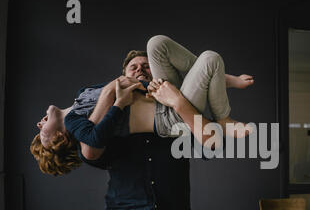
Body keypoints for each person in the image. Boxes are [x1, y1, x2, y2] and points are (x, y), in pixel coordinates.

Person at [31, 35, 254, 210]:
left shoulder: (176, 102)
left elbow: (214, 143)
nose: (140, 69)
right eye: (133, 67)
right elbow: (90, 148)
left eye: (146, 66)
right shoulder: (102, 126)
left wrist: (178, 102)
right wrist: (111, 97)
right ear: (122, 79)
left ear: (158, 71)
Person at [31, 35, 254, 176]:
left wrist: (154, 88)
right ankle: (223, 117)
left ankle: (225, 79)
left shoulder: (83, 96)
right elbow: (92, 143)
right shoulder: (79, 125)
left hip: (167, 92)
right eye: (133, 68)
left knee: (156, 43)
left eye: (146, 66)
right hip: (169, 116)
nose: (39, 124)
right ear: (60, 136)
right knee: (209, 59)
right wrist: (118, 100)